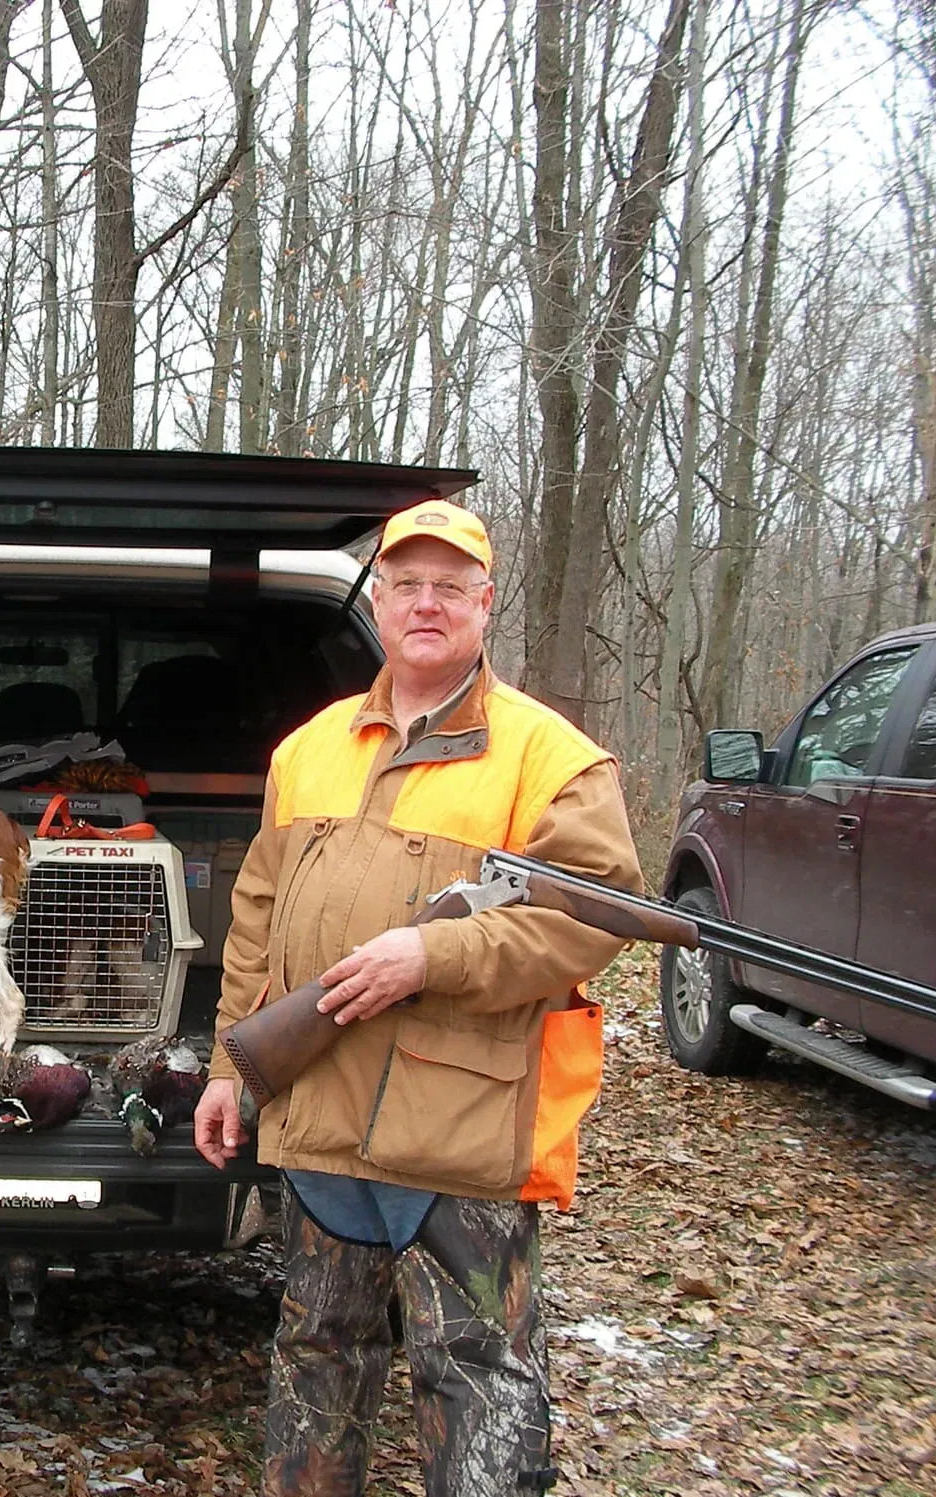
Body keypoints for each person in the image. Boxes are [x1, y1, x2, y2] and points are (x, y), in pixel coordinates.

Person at [194, 499, 642, 1496]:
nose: (426, 604)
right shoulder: (307, 749)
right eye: (407, 584)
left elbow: (592, 918)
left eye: (450, 587)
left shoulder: (551, 758)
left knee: (477, 1368)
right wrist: (231, 1066)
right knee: (317, 1354)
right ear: (380, 603)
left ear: (485, 605)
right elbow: (257, 918)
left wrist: (433, 954)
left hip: (462, 1126)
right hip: (321, 1113)